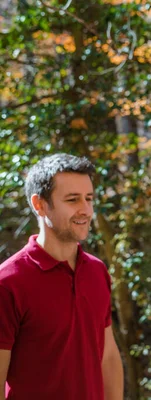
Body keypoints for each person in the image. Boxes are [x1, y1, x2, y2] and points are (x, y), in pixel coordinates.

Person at [0, 154, 124, 399]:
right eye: (73, 199)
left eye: (89, 199)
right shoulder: (8, 283)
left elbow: (107, 355)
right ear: (40, 205)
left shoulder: (97, 271)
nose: (85, 210)